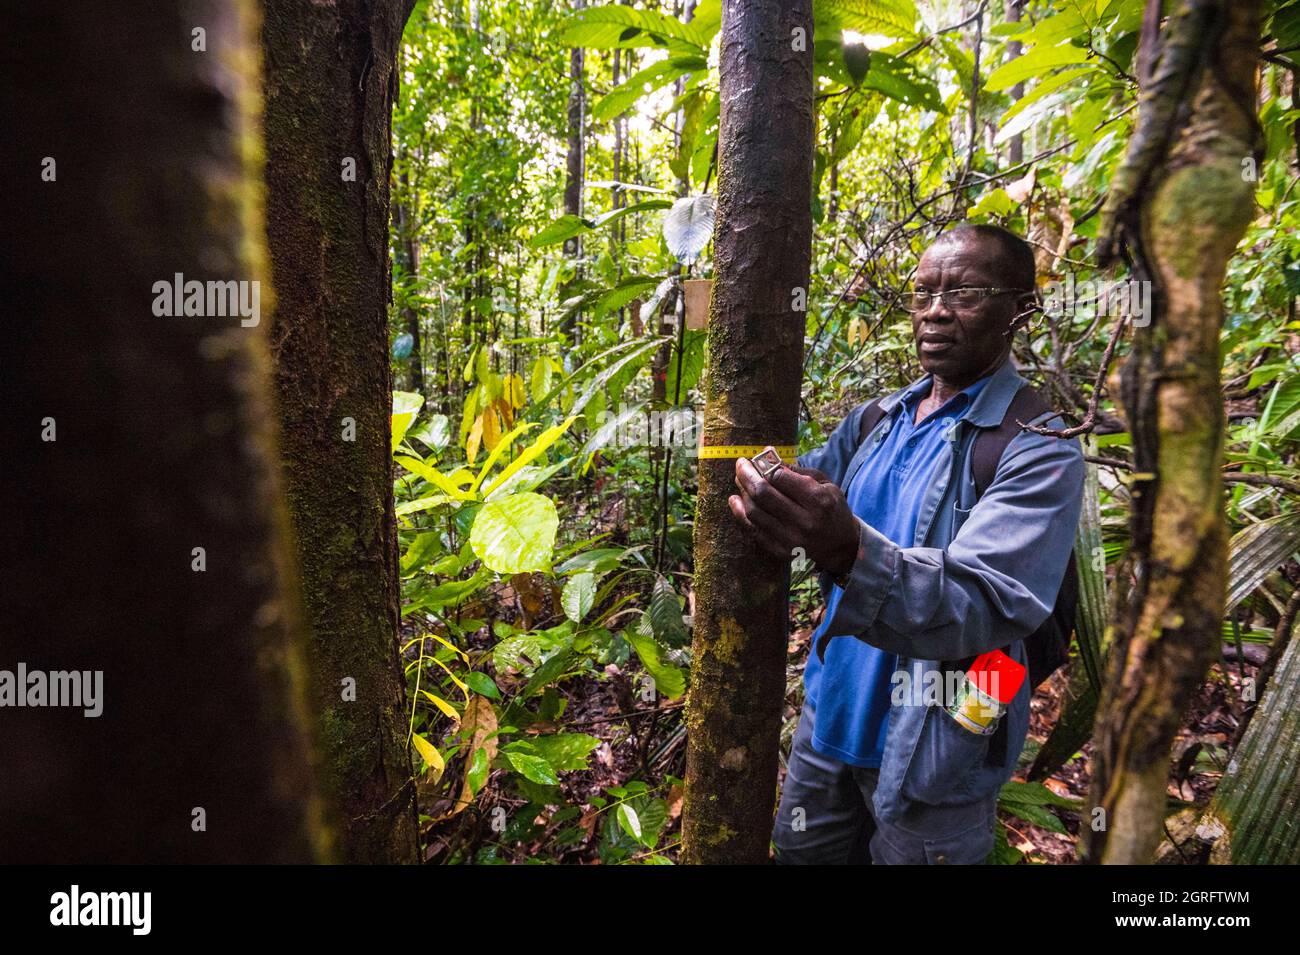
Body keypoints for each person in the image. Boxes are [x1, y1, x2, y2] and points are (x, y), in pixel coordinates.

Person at [728, 224, 1085, 864]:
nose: (937, 311)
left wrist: (847, 551)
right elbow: (804, 490)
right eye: (923, 294)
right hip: (829, 720)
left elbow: (985, 599)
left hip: (941, 748)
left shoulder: (1038, 447)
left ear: (1021, 309)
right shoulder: (875, 420)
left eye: (966, 292)